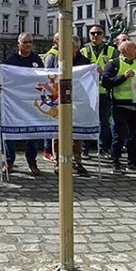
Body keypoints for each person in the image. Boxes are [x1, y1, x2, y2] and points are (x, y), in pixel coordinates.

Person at [46, 35, 95, 175]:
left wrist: (96, 73)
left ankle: (77, 161)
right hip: (59, 101)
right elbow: (47, 77)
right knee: (57, 133)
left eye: (68, 46)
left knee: (77, 133)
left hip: (78, 102)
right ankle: (58, 162)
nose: (63, 48)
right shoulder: (54, 59)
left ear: (76, 47)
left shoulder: (85, 62)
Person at [103, 41, 136, 172]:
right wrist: (123, 77)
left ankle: (132, 163)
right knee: (118, 136)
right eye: (135, 47)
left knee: (134, 136)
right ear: (126, 50)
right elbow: (106, 82)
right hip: (120, 105)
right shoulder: (113, 64)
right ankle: (116, 162)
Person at [1, 33, 44, 175]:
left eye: (30, 42)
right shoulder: (10, 61)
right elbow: (5, 80)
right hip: (13, 103)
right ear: (18, 43)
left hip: (32, 103)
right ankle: (9, 161)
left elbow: (42, 80)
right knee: (10, 134)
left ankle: (32, 162)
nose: (28, 45)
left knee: (33, 134)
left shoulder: (37, 60)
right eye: (25, 42)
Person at [81, 24, 118, 157]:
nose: (95, 36)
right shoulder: (83, 50)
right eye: (92, 33)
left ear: (103, 35)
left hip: (104, 91)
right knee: (86, 120)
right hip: (87, 92)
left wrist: (105, 73)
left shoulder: (112, 50)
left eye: (98, 33)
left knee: (104, 121)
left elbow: (116, 69)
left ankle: (102, 147)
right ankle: (84, 148)